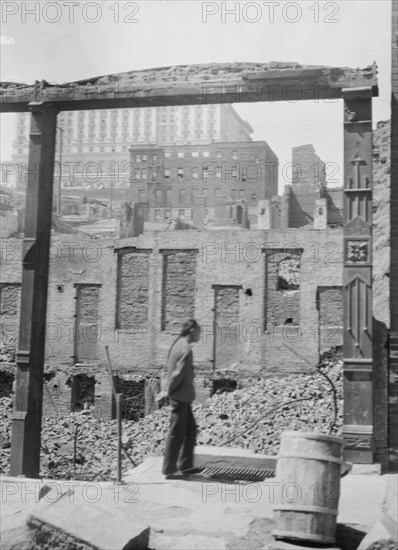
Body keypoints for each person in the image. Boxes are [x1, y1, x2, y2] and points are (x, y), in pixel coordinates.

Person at [162, 319, 201, 480]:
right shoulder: (185, 348)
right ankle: (170, 470)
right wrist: (168, 391)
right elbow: (178, 374)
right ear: (192, 330)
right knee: (176, 433)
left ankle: (185, 465)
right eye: (199, 332)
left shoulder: (178, 343)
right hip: (179, 397)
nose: (200, 335)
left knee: (190, 431)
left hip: (182, 397)